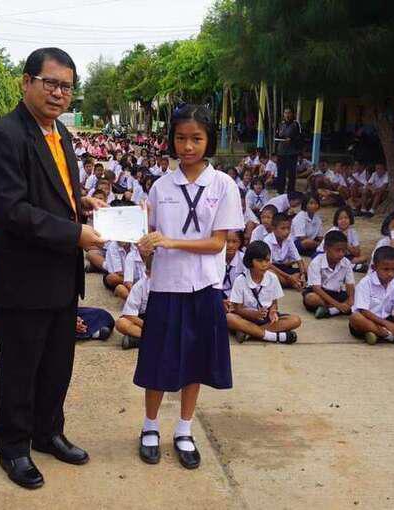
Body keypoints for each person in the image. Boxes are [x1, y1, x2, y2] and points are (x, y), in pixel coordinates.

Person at [0, 47, 106, 489]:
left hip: (61, 277)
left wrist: (79, 202)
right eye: (50, 83)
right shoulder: (4, 136)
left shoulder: (60, 133)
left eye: (66, 87)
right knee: (20, 369)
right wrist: (75, 234)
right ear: (26, 82)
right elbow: (14, 211)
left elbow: (54, 191)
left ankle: (48, 432)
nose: (58, 93)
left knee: (56, 365)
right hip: (24, 280)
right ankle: (14, 448)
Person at [134, 103, 244, 470]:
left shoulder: (223, 185)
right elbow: (149, 238)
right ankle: (150, 427)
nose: (188, 146)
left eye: (196, 138)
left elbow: (217, 243)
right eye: (181, 138)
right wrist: (145, 250)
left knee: (195, 362)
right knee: (157, 361)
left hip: (204, 287)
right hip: (166, 287)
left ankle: (184, 429)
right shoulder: (160, 187)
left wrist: (170, 242)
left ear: (209, 139)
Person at [226, 240, 301, 344]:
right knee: (229, 318)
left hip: (265, 319)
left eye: (267, 260)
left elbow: (274, 303)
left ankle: (249, 332)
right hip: (246, 318)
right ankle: (273, 337)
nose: (264, 264)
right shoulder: (240, 280)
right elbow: (237, 309)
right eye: (260, 261)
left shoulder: (272, 278)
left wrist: (273, 312)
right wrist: (254, 314)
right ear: (250, 261)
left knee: (295, 320)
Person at [303, 230, 356, 319]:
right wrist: (338, 305)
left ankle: (330, 311)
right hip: (319, 293)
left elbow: (350, 284)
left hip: (337, 293)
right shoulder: (316, 262)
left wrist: (351, 299)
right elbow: (317, 288)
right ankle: (337, 309)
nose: (341, 254)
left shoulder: (346, 262)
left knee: (358, 296)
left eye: (344, 251)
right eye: (337, 250)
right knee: (311, 298)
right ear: (325, 248)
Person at [264, 213, 306, 290]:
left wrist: (303, 274)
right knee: (270, 273)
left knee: (306, 269)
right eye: (283, 228)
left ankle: (294, 282)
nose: (287, 232)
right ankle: (293, 282)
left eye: (288, 228)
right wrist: (289, 277)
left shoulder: (289, 239)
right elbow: (269, 264)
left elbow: (298, 259)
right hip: (274, 268)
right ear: (273, 228)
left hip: (285, 268)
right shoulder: (267, 240)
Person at [116, 260, 152, 350]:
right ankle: (157, 339)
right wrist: (148, 326)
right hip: (144, 321)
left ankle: (139, 341)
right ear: (147, 273)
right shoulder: (140, 286)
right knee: (121, 323)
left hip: (166, 320)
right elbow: (129, 315)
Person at [274, 107, 302, 193]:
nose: (287, 115)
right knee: (281, 173)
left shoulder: (296, 124)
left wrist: (292, 139)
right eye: (285, 113)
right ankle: (280, 191)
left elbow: (300, 137)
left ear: (292, 114)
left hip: (292, 153)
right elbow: (277, 136)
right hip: (281, 152)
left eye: (289, 113)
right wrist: (275, 152)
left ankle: (291, 191)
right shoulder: (281, 124)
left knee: (291, 173)